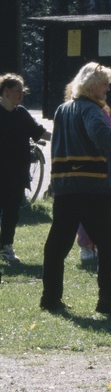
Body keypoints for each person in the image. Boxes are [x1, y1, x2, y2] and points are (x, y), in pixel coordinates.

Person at [41, 62, 111, 316]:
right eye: (105, 84)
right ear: (91, 85)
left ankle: (50, 298)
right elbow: (101, 135)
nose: (108, 88)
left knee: (57, 245)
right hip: (92, 186)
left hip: (65, 186)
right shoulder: (92, 110)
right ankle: (108, 300)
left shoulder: (63, 109)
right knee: (108, 243)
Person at [0, 74, 51, 263]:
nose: (21, 94)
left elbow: (39, 132)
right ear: (6, 91)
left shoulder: (21, 113)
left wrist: (62, 137)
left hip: (17, 172)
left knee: (12, 212)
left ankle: (6, 246)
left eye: (23, 91)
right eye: (18, 91)